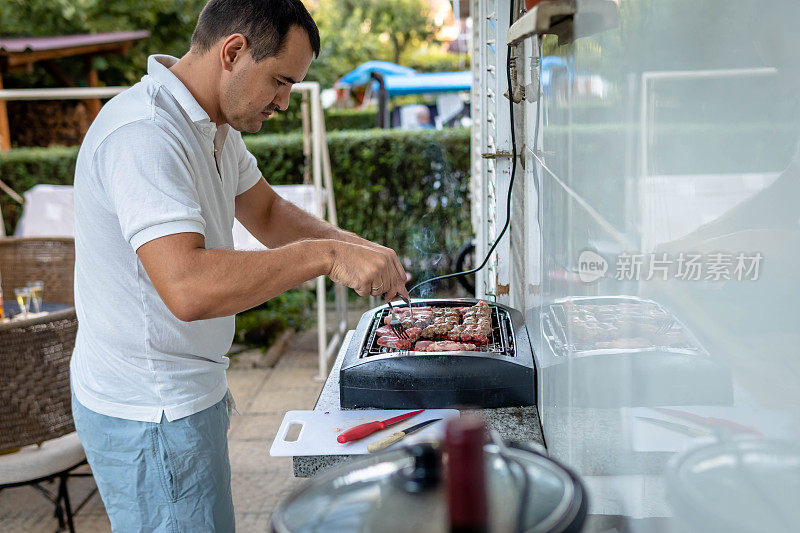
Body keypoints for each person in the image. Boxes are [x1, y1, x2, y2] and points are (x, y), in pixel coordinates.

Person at [70, 0, 409, 530]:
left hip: (182, 396)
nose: (284, 101)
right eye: (280, 80)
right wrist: (327, 255)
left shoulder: (212, 125)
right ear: (233, 51)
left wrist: (358, 246)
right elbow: (187, 288)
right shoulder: (145, 134)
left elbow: (268, 212)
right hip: (152, 411)